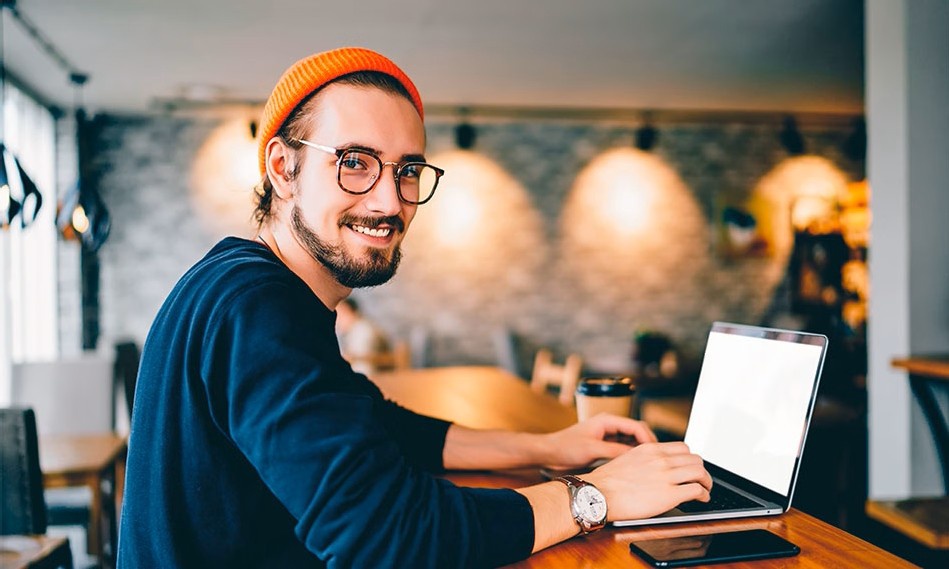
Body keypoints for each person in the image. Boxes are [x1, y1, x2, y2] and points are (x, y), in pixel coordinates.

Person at [117, 47, 711, 568]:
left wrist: (547, 448)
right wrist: (595, 496)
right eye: (354, 162)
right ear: (283, 167)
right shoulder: (259, 305)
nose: (388, 200)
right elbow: (390, 538)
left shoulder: (242, 279)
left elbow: (378, 424)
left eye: (407, 170)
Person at [335, 297, 392, 374]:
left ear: (348, 311)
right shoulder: (359, 329)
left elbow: (362, 368)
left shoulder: (363, 331)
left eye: (339, 314)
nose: (337, 321)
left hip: (376, 378)